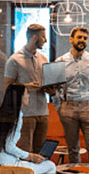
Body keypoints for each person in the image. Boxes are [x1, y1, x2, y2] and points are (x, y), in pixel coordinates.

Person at [52, 26, 89, 164]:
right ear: (71, 39)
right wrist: (59, 108)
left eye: (85, 38)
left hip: (88, 106)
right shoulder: (61, 61)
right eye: (79, 37)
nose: (82, 40)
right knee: (73, 149)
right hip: (68, 107)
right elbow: (54, 89)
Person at [0, 83, 56, 174]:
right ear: (20, 97)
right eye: (26, 93)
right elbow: (9, 146)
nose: (28, 96)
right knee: (50, 166)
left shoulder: (1, 114)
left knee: (39, 165)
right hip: (8, 165)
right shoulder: (16, 117)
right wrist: (30, 156)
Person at [4, 24, 53, 154]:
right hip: (26, 113)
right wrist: (27, 86)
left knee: (41, 152)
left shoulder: (43, 58)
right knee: (25, 151)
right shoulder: (14, 60)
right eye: (43, 37)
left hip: (43, 112)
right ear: (34, 38)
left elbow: (48, 84)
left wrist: (51, 88)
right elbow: (7, 87)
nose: (46, 40)